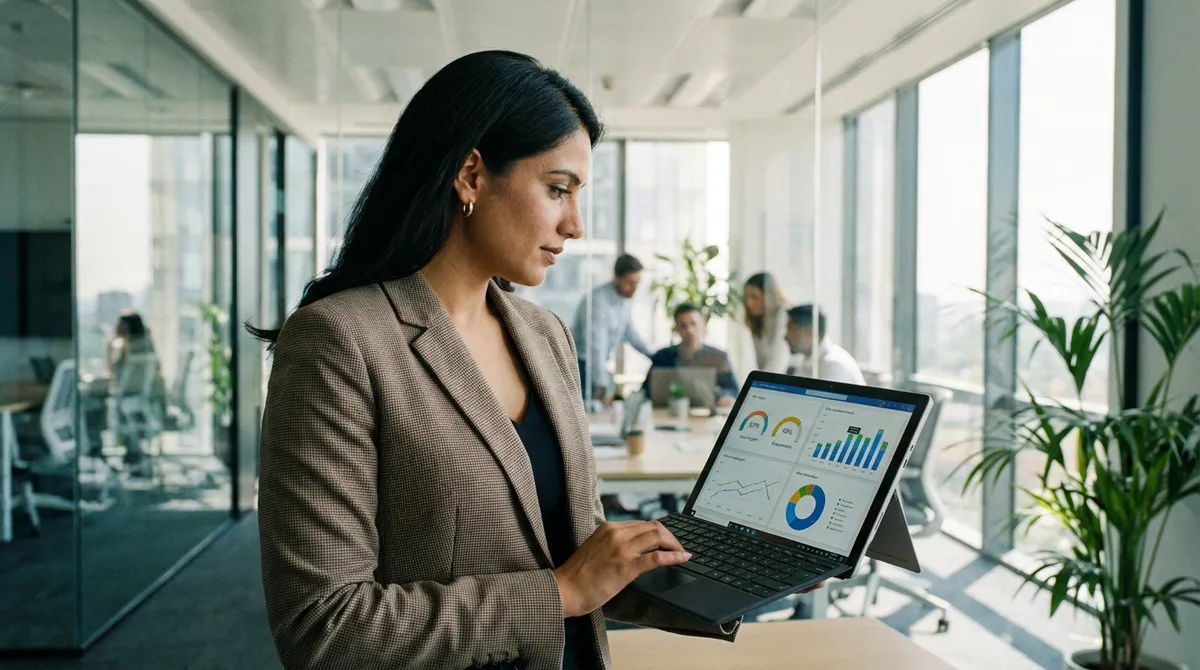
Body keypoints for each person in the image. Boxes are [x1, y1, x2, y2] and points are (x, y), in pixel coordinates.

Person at [250, 51, 750, 670]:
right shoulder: (338, 341)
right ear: (471, 175)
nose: (576, 225)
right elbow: (322, 628)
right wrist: (559, 594)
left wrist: (742, 581)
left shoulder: (546, 336)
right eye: (557, 190)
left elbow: (585, 553)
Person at [571, 253, 654, 404]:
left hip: (598, 365)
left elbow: (629, 332)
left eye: (637, 283)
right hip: (581, 366)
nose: (634, 288)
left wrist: (654, 356)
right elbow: (596, 346)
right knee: (586, 415)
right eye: (630, 283)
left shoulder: (624, 300)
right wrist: (601, 383)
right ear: (616, 277)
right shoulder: (598, 302)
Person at [642, 303, 739, 407]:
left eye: (694, 324)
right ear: (676, 329)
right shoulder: (662, 357)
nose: (689, 330)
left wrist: (724, 396)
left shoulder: (719, 357)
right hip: (667, 414)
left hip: (706, 416)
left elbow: (733, 390)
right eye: (683, 326)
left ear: (702, 324)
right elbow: (645, 391)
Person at [784, 304, 865, 384]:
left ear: (811, 333)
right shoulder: (805, 359)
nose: (786, 337)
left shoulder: (833, 365)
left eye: (792, 331)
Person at [742, 272, 790, 373]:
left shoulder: (783, 316)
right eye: (747, 297)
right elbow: (761, 364)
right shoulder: (757, 322)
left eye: (754, 297)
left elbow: (778, 360)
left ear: (769, 296)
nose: (748, 303)